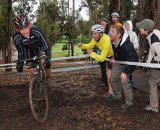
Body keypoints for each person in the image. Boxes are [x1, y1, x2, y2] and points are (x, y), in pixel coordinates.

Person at [12, 14, 51, 82]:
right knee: (31, 71)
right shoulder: (16, 38)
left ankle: (48, 77)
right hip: (29, 51)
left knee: (44, 63)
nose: (25, 31)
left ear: (29, 25)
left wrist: (48, 59)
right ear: (18, 30)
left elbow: (46, 46)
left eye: (26, 28)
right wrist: (20, 64)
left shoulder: (36, 31)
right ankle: (32, 88)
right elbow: (21, 52)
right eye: (22, 30)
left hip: (40, 48)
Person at [107, 25, 138, 109]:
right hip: (120, 62)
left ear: (119, 34)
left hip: (129, 63)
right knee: (112, 78)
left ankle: (129, 102)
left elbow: (134, 60)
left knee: (124, 80)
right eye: (110, 31)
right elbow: (117, 53)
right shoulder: (113, 42)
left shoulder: (127, 45)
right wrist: (114, 58)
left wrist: (125, 72)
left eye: (112, 32)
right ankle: (117, 96)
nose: (110, 33)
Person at [136, 19, 160, 112]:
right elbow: (151, 50)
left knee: (153, 82)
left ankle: (154, 106)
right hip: (157, 64)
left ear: (146, 29)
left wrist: (155, 62)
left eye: (141, 28)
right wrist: (148, 63)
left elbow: (156, 50)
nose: (139, 30)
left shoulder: (154, 41)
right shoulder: (154, 34)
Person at [100, 18, 114, 95]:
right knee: (103, 67)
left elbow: (110, 39)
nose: (102, 23)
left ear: (106, 23)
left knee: (109, 68)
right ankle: (104, 81)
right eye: (101, 22)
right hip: (101, 51)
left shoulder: (109, 30)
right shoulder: (99, 30)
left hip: (109, 52)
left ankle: (111, 85)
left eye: (104, 22)